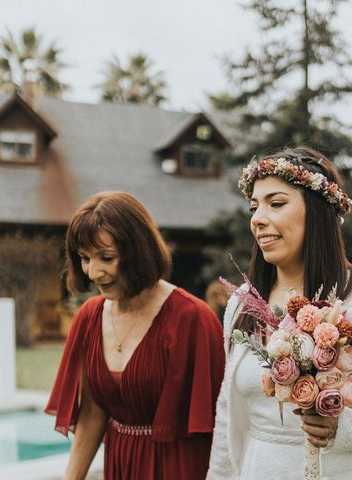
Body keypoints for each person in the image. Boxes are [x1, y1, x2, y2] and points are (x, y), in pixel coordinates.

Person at [207, 147, 352, 480]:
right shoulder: (242, 304)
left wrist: (343, 427)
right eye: (254, 207)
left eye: (276, 203)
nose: (257, 218)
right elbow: (227, 412)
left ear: (317, 213)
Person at [45, 191, 225, 480]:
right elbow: (92, 415)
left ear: (139, 251)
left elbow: (222, 424)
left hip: (179, 467)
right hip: (120, 464)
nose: (94, 272)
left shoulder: (193, 319)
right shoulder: (88, 318)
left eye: (106, 257)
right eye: (84, 258)